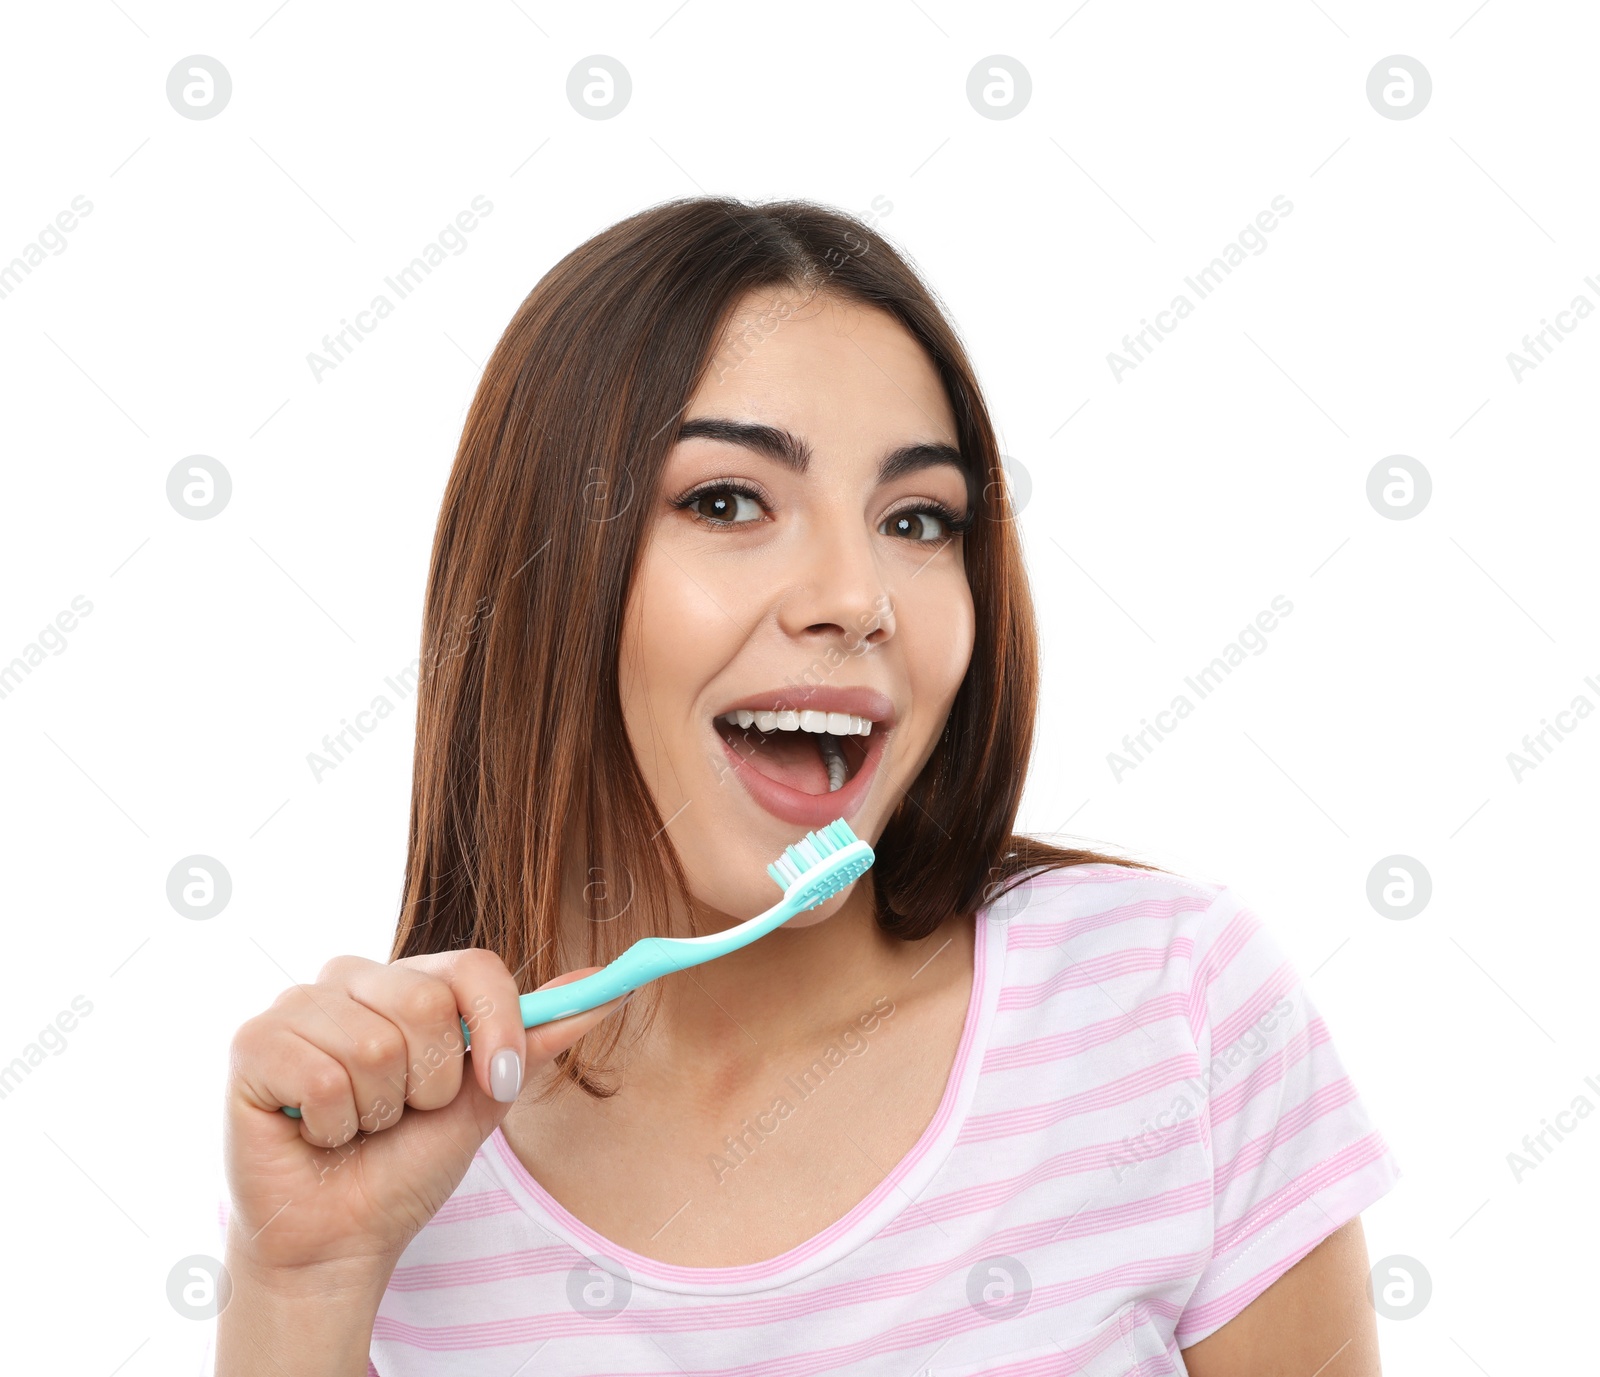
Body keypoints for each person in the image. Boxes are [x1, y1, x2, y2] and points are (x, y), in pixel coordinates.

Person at [214, 197, 1401, 1375]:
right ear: (543, 574)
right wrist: (302, 1286)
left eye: (918, 518)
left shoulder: (1168, 1008)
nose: (857, 594)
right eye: (727, 501)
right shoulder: (391, 1157)